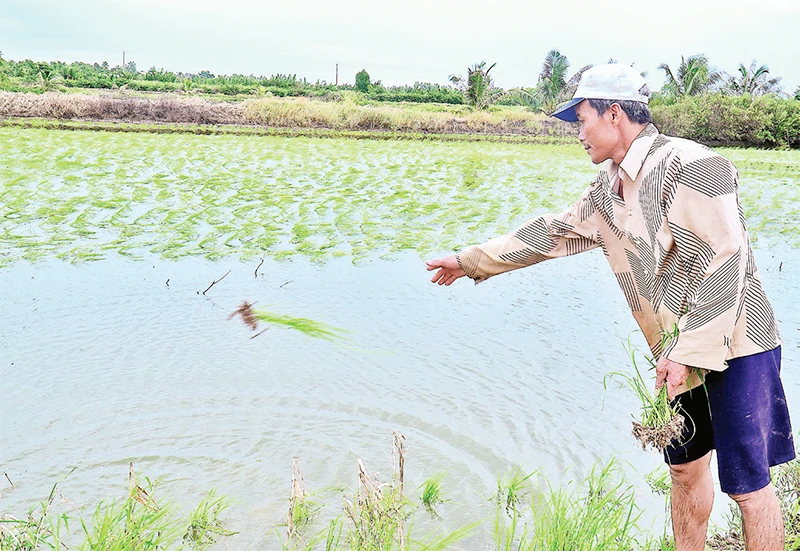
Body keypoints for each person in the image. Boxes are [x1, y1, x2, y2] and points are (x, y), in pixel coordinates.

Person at [425, 63, 794, 551]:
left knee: (747, 486)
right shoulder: (609, 190)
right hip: (674, 354)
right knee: (683, 468)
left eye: (581, 120)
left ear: (614, 113)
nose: (578, 134)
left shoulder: (692, 164)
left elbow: (726, 258)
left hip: (735, 344)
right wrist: (469, 261)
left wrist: (686, 351)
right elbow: (550, 233)